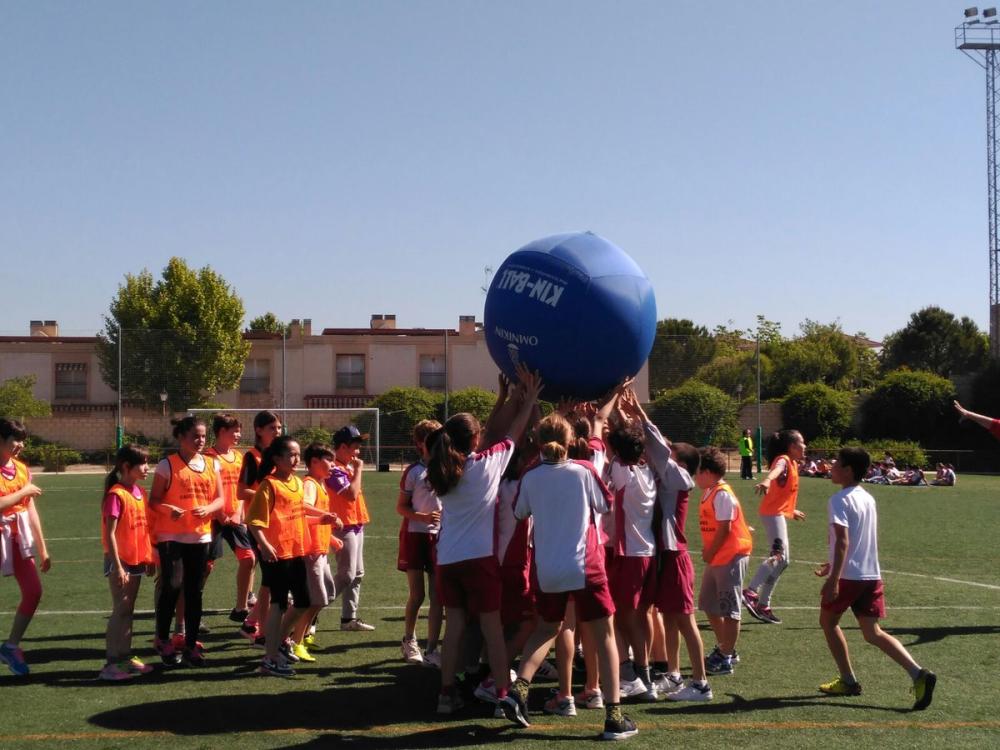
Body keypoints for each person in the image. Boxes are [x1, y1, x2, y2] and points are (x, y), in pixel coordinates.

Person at [500, 412, 638, 741]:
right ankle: (614, 717)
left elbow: (519, 512)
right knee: (604, 636)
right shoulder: (584, 470)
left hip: (548, 567)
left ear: (537, 441)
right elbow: (604, 505)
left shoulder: (530, 475)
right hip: (585, 564)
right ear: (570, 440)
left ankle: (518, 690)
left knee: (547, 629)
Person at [429, 366, 541, 716]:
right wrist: (528, 400)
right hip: (479, 560)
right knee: (492, 630)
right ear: (475, 440)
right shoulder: (485, 465)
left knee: (455, 627)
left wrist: (504, 399)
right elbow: (511, 433)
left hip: (447, 560)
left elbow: (490, 433)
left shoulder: (443, 470)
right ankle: (503, 695)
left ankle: (445, 694)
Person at [815, 447, 936, 710]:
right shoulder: (868, 498)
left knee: (828, 622)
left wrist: (834, 578)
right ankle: (918, 673)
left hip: (848, 576)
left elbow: (844, 541)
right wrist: (832, 564)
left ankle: (848, 681)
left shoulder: (839, 500)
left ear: (848, 470)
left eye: (836, 463)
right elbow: (857, 539)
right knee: (873, 632)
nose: (831, 467)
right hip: (870, 574)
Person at [619, 390, 712, 702]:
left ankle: (701, 683)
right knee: (669, 619)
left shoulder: (679, 477)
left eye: (671, 455)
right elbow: (649, 449)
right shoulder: (667, 476)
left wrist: (639, 413)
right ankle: (673, 674)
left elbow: (656, 446)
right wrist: (628, 419)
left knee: (685, 619)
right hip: (663, 555)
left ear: (681, 463)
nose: (663, 457)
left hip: (675, 556)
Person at [149, 415, 225, 667]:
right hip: (171, 536)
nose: (200, 440)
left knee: (195, 591)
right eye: (195, 436)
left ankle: (190, 643)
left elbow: (220, 499)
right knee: (172, 585)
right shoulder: (167, 465)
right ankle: (162, 639)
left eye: (203, 436)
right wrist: (168, 509)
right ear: (181, 437)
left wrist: (209, 509)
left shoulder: (212, 464)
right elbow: (154, 500)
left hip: (200, 535)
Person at [246, 437, 323, 677]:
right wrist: (265, 545)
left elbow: (298, 514)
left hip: (296, 550)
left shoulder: (297, 483)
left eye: (298, 454)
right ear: (277, 458)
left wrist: (322, 518)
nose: (296, 459)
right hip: (276, 553)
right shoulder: (268, 485)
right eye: (291, 454)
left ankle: (277, 643)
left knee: (303, 601)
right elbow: (254, 522)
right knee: (278, 604)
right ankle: (269, 659)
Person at [605, 417, 658, 702]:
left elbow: (611, 454)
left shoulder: (622, 472)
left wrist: (605, 416)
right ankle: (641, 674)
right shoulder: (646, 470)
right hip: (646, 551)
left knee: (621, 616)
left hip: (629, 554)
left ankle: (637, 676)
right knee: (636, 616)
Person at [99, 444, 155, 680]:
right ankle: (110, 664)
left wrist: (150, 557)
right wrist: (119, 566)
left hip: (136, 559)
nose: (147, 467)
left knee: (128, 609)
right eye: (143, 463)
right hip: (120, 561)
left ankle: (125, 657)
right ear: (126, 466)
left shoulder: (140, 492)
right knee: (120, 609)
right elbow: (110, 534)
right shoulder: (116, 494)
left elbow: (145, 529)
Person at [696, 446, 753, 676]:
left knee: (729, 609)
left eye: (697, 471)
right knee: (708, 604)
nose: (694, 476)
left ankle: (725, 657)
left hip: (730, 555)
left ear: (707, 472)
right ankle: (726, 648)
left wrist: (710, 551)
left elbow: (725, 528)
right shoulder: (709, 492)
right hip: (718, 556)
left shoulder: (722, 494)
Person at [743, 429, 807, 625]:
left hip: (776, 513)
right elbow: (776, 470)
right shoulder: (784, 460)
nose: (805, 446)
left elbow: (783, 492)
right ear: (792, 447)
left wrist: (791, 510)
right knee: (778, 556)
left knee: (783, 561)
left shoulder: (793, 463)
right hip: (772, 514)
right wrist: (767, 480)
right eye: (802, 442)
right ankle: (750, 592)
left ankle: (763, 604)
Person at [0, 418, 48, 677]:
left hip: (17, 537)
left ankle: (10, 646)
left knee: (33, 591)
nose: (20, 445)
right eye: (15, 440)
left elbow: (30, 509)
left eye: (22, 440)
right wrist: (22, 492)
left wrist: (42, 548)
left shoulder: (22, 469)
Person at [291, 442, 344, 662]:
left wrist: (330, 537)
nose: (333, 464)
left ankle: (301, 636)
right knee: (315, 599)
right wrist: (326, 516)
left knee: (325, 596)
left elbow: (316, 519)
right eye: (328, 460)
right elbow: (302, 510)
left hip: (320, 550)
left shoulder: (320, 484)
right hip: (311, 551)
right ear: (314, 462)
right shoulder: (310, 484)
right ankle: (295, 642)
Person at [396, 419, 443, 666]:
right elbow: (401, 507)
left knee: (438, 596)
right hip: (415, 535)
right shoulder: (414, 472)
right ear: (420, 444)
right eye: (431, 440)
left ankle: (432, 648)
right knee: (418, 595)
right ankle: (409, 640)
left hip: (441, 537)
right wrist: (421, 517)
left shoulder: (447, 468)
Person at [205, 413, 256, 624]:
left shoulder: (239, 457)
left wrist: (237, 512)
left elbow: (243, 489)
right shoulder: (208, 457)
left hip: (235, 518)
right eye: (235, 431)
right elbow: (206, 490)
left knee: (249, 558)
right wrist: (220, 514)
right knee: (205, 566)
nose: (238, 435)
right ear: (222, 431)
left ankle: (242, 605)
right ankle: (191, 609)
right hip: (213, 518)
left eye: (239, 431)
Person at [238, 410, 282, 643]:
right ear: (258, 430)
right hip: (259, 526)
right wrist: (267, 496)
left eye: (279, 428)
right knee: (270, 580)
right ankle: (262, 631)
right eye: (272, 428)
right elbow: (241, 491)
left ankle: (252, 624)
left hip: (277, 525)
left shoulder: (279, 456)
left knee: (270, 582)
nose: (277, 431)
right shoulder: (252, 457)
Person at [328, 425, 375, 632]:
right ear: (343, 447)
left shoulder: (346, 467)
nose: (358, 451)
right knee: (346, 575)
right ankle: (308, 608)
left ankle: (348, 619)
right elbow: (351, 494)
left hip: (355, 524)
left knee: (357, 574)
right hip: (342, 525)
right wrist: (359, 469)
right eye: (355, 447)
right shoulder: (333, 469)